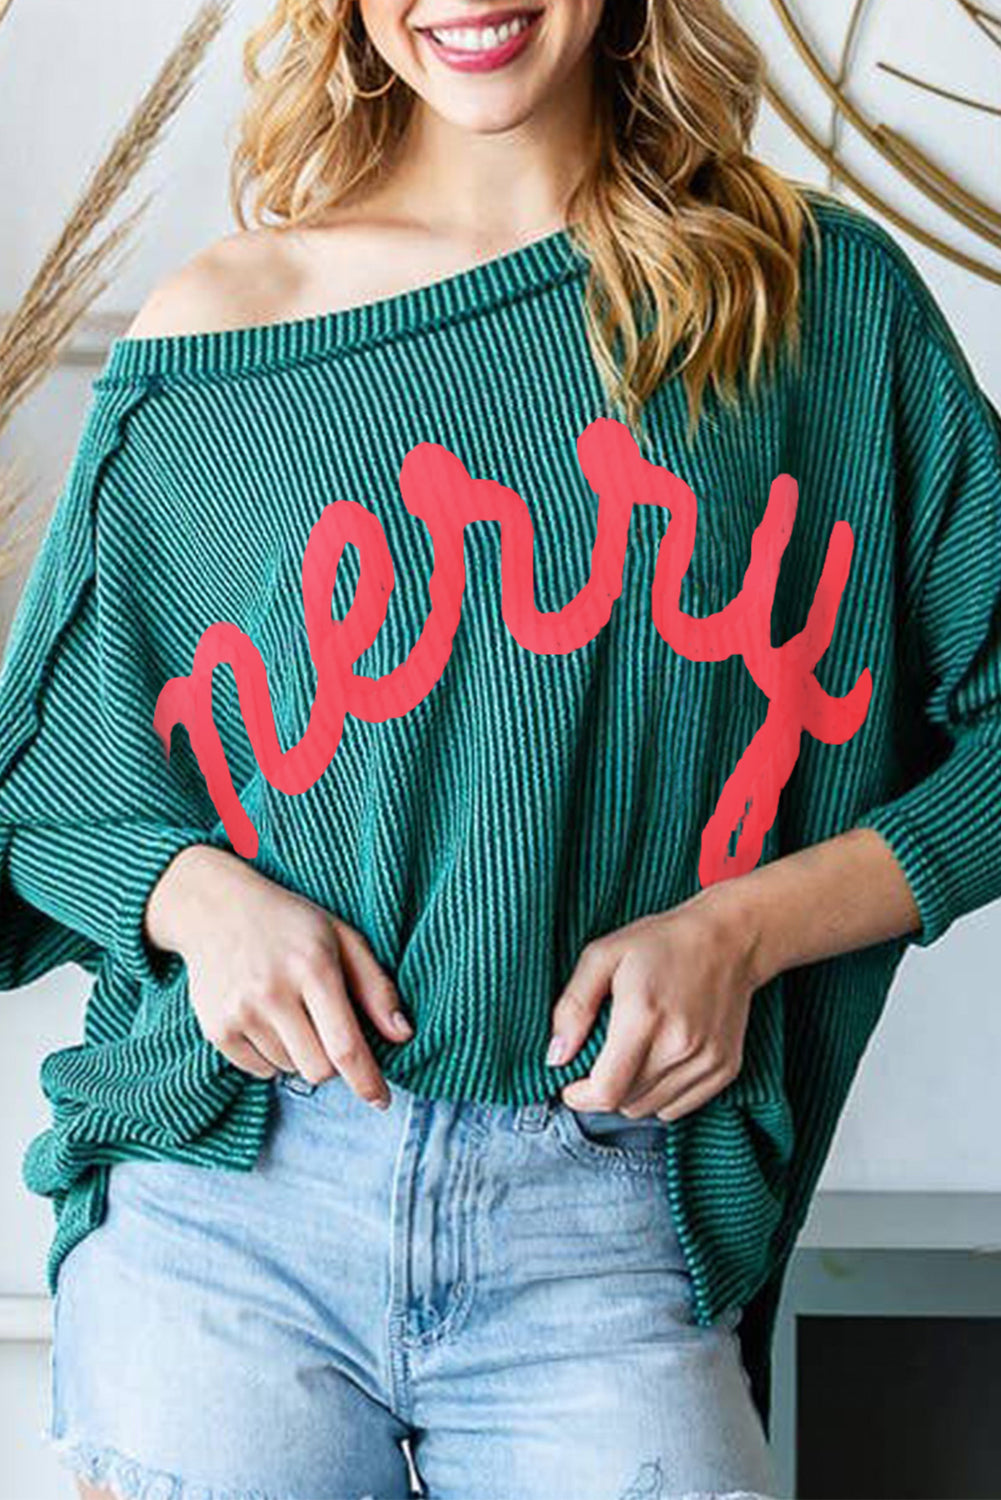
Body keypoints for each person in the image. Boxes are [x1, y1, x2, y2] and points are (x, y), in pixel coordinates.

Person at [3, 0, 1000, 1497]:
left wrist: (740, 935)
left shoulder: (810, 303)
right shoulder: (223, 331)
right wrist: (194, 901)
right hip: (232, 1191)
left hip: (604, 1212)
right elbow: (39, 788)